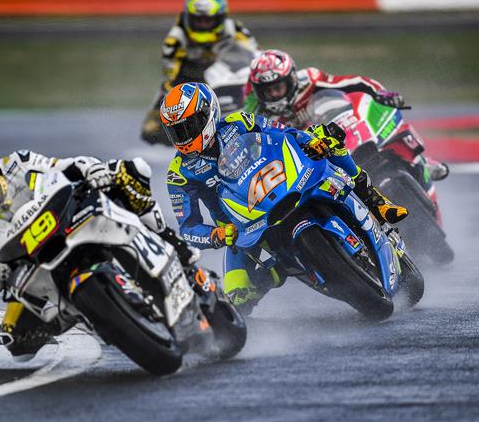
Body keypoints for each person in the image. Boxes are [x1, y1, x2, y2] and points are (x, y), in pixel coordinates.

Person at [0, 128, 198, 360]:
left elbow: (66, 167)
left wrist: (92, 169)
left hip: (67, 219)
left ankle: (173, 244)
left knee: (130, 173)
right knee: (15, 339)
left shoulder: (17, 163)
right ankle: (84, 312)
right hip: (31, 262)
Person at [160, 82, 407, 314]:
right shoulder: (178, 173)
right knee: (238, 299)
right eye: (176, 131)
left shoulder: (240, 122)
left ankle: (374, 200)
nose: (183, 137)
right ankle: (278, 280)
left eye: (188, 126)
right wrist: (216, 234)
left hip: (283, 182)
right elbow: (188, 228)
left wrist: (310, 141)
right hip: (242, 227)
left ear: (207, 114)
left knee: (328, 140)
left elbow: (285, 133)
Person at [243, 49, 449, 182]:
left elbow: (351, 82)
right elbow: (255, 149)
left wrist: (380, 94)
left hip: (334, 130)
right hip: (308, 157)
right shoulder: (257, 114)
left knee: (365, 105)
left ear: (291, 80)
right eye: (268, 90)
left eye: (278, 87)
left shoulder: (309, 79)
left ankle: (420, 161)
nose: (274, 94)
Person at [140, 0, 258, 144]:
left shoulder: (235, 29)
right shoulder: (174, 40)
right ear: (188, 17)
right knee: (151, 129)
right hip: (189, 78)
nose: (203, 25)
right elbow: (169, 78)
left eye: (208, 20)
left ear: (221, 18)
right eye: (198, 20)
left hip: (225, 72)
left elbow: (255, 55)